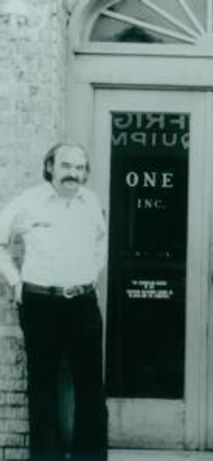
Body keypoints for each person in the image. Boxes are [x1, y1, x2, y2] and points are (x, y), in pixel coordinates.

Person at [0, 143, 108, 460]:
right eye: (66, 166)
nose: (73, 173)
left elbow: (101, 241)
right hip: (41, 305)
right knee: (43, 387)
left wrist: (92, 277)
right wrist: (14, 281)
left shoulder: (91, 202)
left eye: (79, 168)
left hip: (83, 304)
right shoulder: (28, 202)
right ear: (50, 167)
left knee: (91, 388)